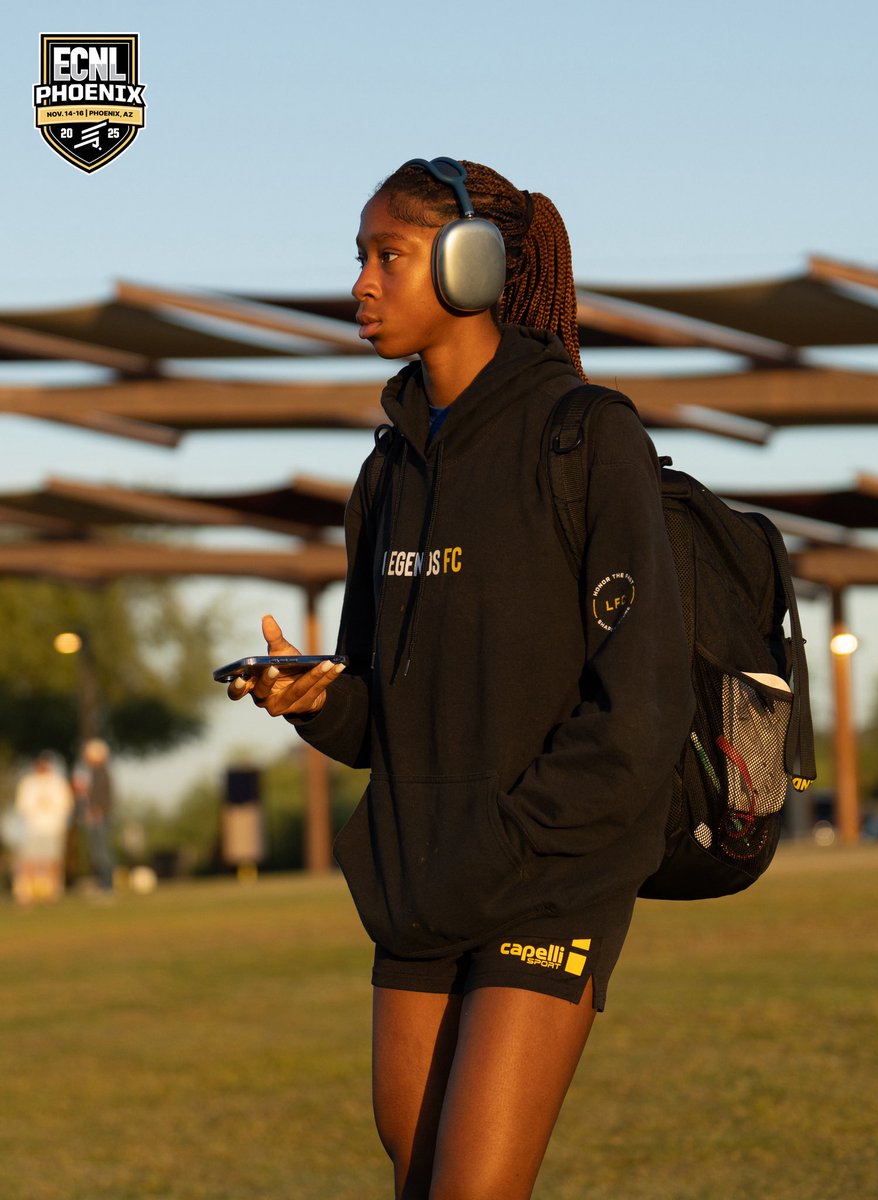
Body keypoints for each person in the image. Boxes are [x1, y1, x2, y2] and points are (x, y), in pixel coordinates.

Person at [227, 158, 694, 1199]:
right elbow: (379, 721)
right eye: (360, 257)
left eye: (387, 256)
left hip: (549, 873)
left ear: (472, 265)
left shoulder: (586, 436)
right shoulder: (387, 472)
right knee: (417, 1175)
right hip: (422, 883)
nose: (360, 284)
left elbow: (643, 708)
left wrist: (511, 839)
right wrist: (315, 697)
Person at [12, 751, 74, 905]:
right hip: (33, 828)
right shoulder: (28, 783)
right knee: (29, 861)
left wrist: (51, 806)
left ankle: (52, 892)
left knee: (52, 861)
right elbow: (22, 805)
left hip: (53, 828)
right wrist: (38, 804)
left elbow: (66, 804)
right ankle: (24, 893)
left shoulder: (58, 782)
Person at [72, 738, 115, 892]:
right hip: (94, 816)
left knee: (102, 852)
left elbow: (104, 797)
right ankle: (102, 884)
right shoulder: (90, 772)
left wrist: (96, 810)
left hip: (100, 816)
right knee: (97, 853)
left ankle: (107, 886)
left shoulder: (101, 772)